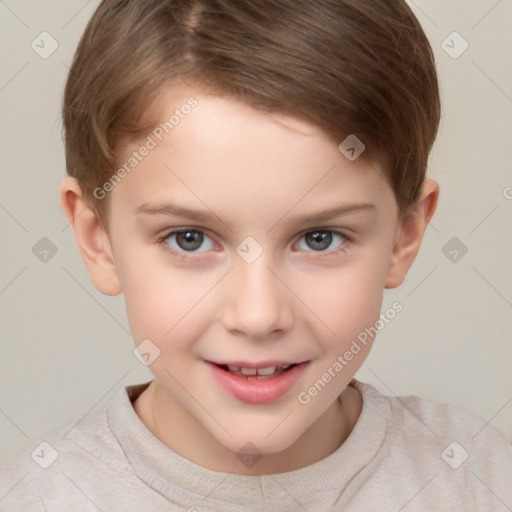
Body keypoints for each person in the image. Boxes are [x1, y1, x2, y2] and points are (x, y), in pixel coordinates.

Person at [1, 0, 511, 510]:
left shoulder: (480, 481)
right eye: (189, 239)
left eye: (319, 238)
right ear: (99, 240)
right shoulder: (35, 498)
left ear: (405, 235)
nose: (259, 315)